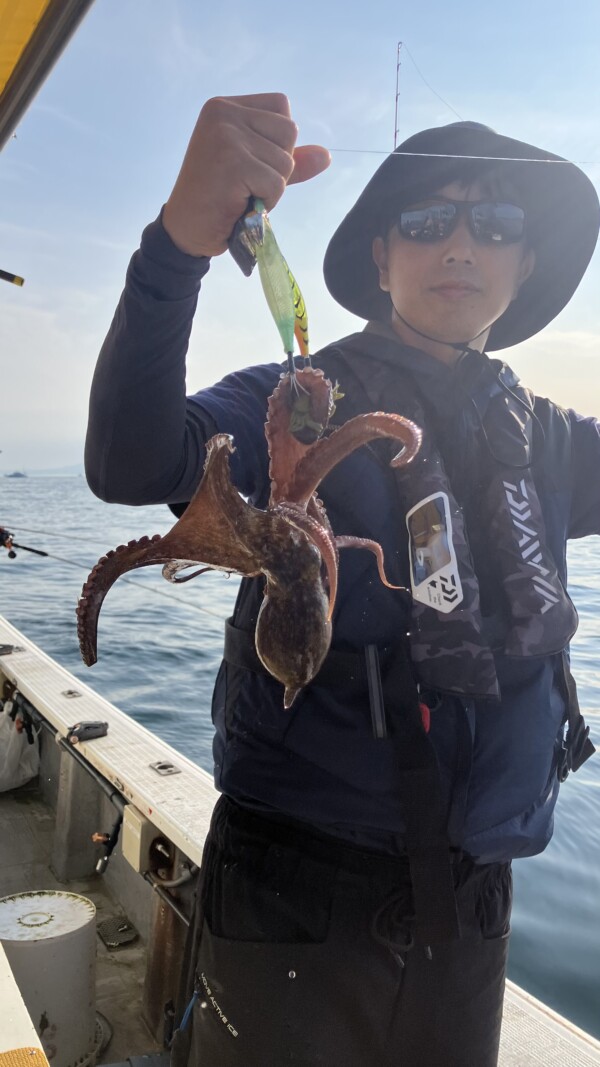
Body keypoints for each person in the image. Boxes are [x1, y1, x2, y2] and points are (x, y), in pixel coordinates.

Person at [85, 94, 600, 1067]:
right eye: (425, 220)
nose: (460, 244)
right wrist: (177, 247)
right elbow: (131, 457)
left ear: (525, 262)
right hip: (295, 882)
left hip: (476, 895)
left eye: (495, 224)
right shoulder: (300, 398)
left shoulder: (550, 438)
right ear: (381, 255)